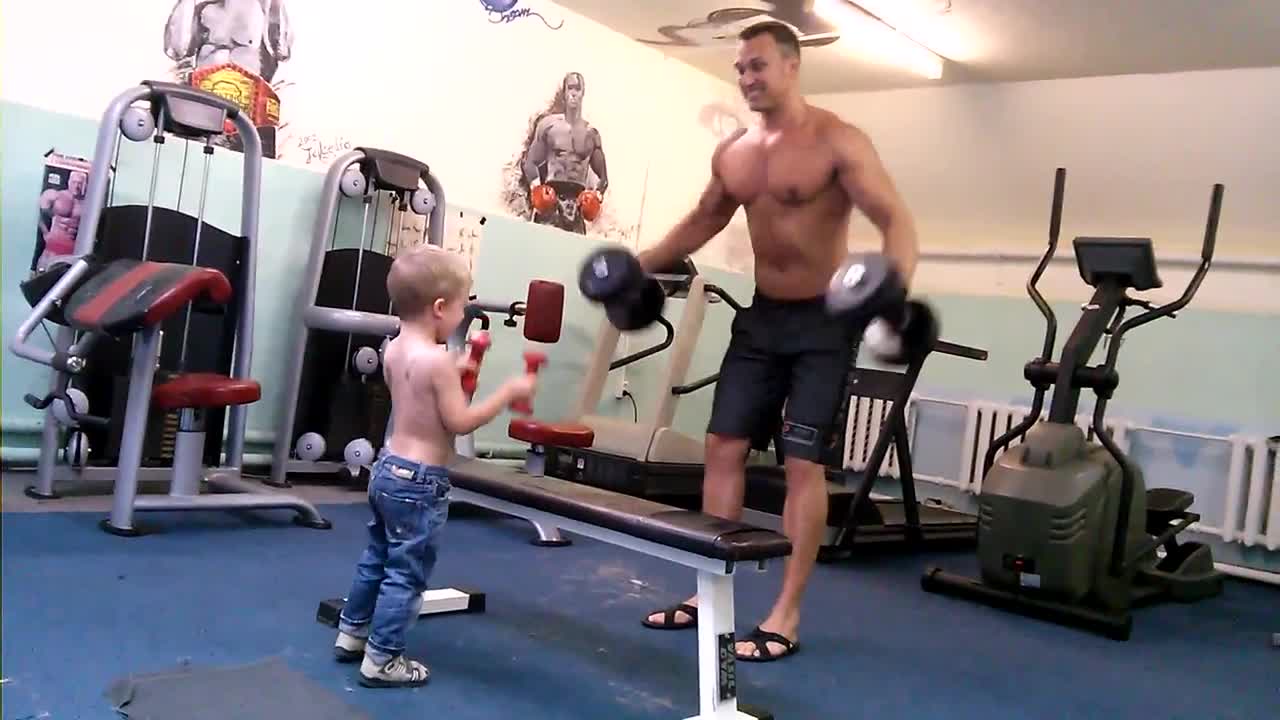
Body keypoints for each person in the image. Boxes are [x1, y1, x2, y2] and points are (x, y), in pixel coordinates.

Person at [635, 21, 920, 662]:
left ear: (791, 67)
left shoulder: (837, 141)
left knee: (800, 464)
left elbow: (894, 217)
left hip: (825, 322)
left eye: (758, 65)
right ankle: (709, 593)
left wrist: (894, 287)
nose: (746, 78)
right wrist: (639, 263)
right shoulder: (736, 152)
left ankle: (785, 613)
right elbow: (705, 218)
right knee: (722, 446)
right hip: (762, 319)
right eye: (740, 68)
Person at [331, 244, 539, 687]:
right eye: (463, 306)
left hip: (387, 468)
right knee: (407, 572)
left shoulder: (393, 350)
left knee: (378, 555)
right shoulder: (438, 362)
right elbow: (458, 421)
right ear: (440, 308)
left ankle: (352, 632)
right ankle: (383, 659)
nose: (463, 315)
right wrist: (505, 395)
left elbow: (419, 397)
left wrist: (460, 369)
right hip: (421, 482)